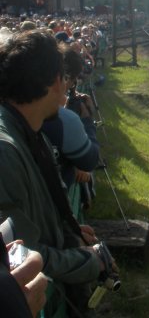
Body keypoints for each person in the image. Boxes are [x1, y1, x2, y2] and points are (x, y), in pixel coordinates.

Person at [0, 30, 112, 316]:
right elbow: (24, 254)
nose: (67, 87)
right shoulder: (5, 152)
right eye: (64, 77)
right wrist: (89, 262)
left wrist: (69, 229)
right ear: (53, 81)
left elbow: (36, 209)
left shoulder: (28, 131)